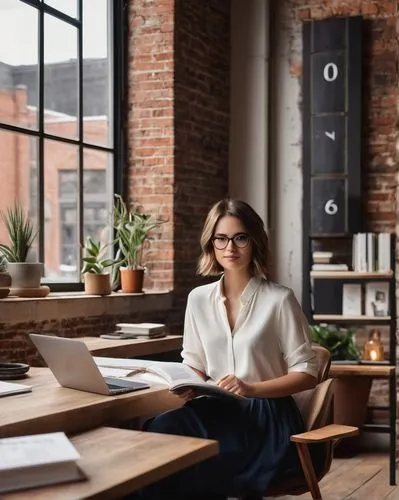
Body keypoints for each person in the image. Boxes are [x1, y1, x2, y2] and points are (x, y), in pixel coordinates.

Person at [134, 198, 320, 500]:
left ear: (254, 241)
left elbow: (307, 373)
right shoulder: (197, 299)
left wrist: (251, 387)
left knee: (203, 455)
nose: (230, 248)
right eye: (221, 238)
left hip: (266, 416)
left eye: (240, 237)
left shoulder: (280, 300)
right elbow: (192, 361)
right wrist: (188, 383)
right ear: (211, 244)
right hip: (217, 407)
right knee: (162, 430)